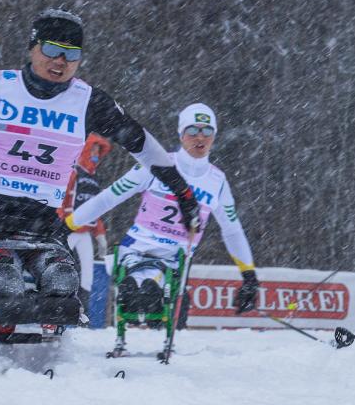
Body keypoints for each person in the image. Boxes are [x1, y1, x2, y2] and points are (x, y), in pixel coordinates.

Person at [0, 8, 200, 337]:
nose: (60, 62)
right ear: (32, 48)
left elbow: (145, 146)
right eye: (51, 50)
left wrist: (183, 193)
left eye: (71, 55)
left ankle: (52, 352)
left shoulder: (88, 101)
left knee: (62, 285)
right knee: (4, 280)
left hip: (43, 222)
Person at [69, 102, 258, 328]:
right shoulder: (157, 164)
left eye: (207, 131)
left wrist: (249, 276)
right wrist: (67, 225)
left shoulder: (217, 181)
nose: (200, 137)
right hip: (138, 250)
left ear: (214, 136)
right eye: (193, 130)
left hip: (175, 260)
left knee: (164, 304)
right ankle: (136, 295)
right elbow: (109, 197)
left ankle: (148, 298)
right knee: (142, 292)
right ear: (181, 134)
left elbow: (232, 229)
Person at [57, 133, 112, 313]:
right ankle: (51, 308)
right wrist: (58, 224)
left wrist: (101, 235)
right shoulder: (74, 171)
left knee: (87, 274)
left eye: (99, 150)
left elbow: (96, 208)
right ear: (86, 149)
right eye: (93, 149)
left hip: (85, 232)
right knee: (55, 266)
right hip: (68, 229)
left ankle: (82, 314)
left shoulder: (95, 177)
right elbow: (61, 200)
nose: (96, 153)